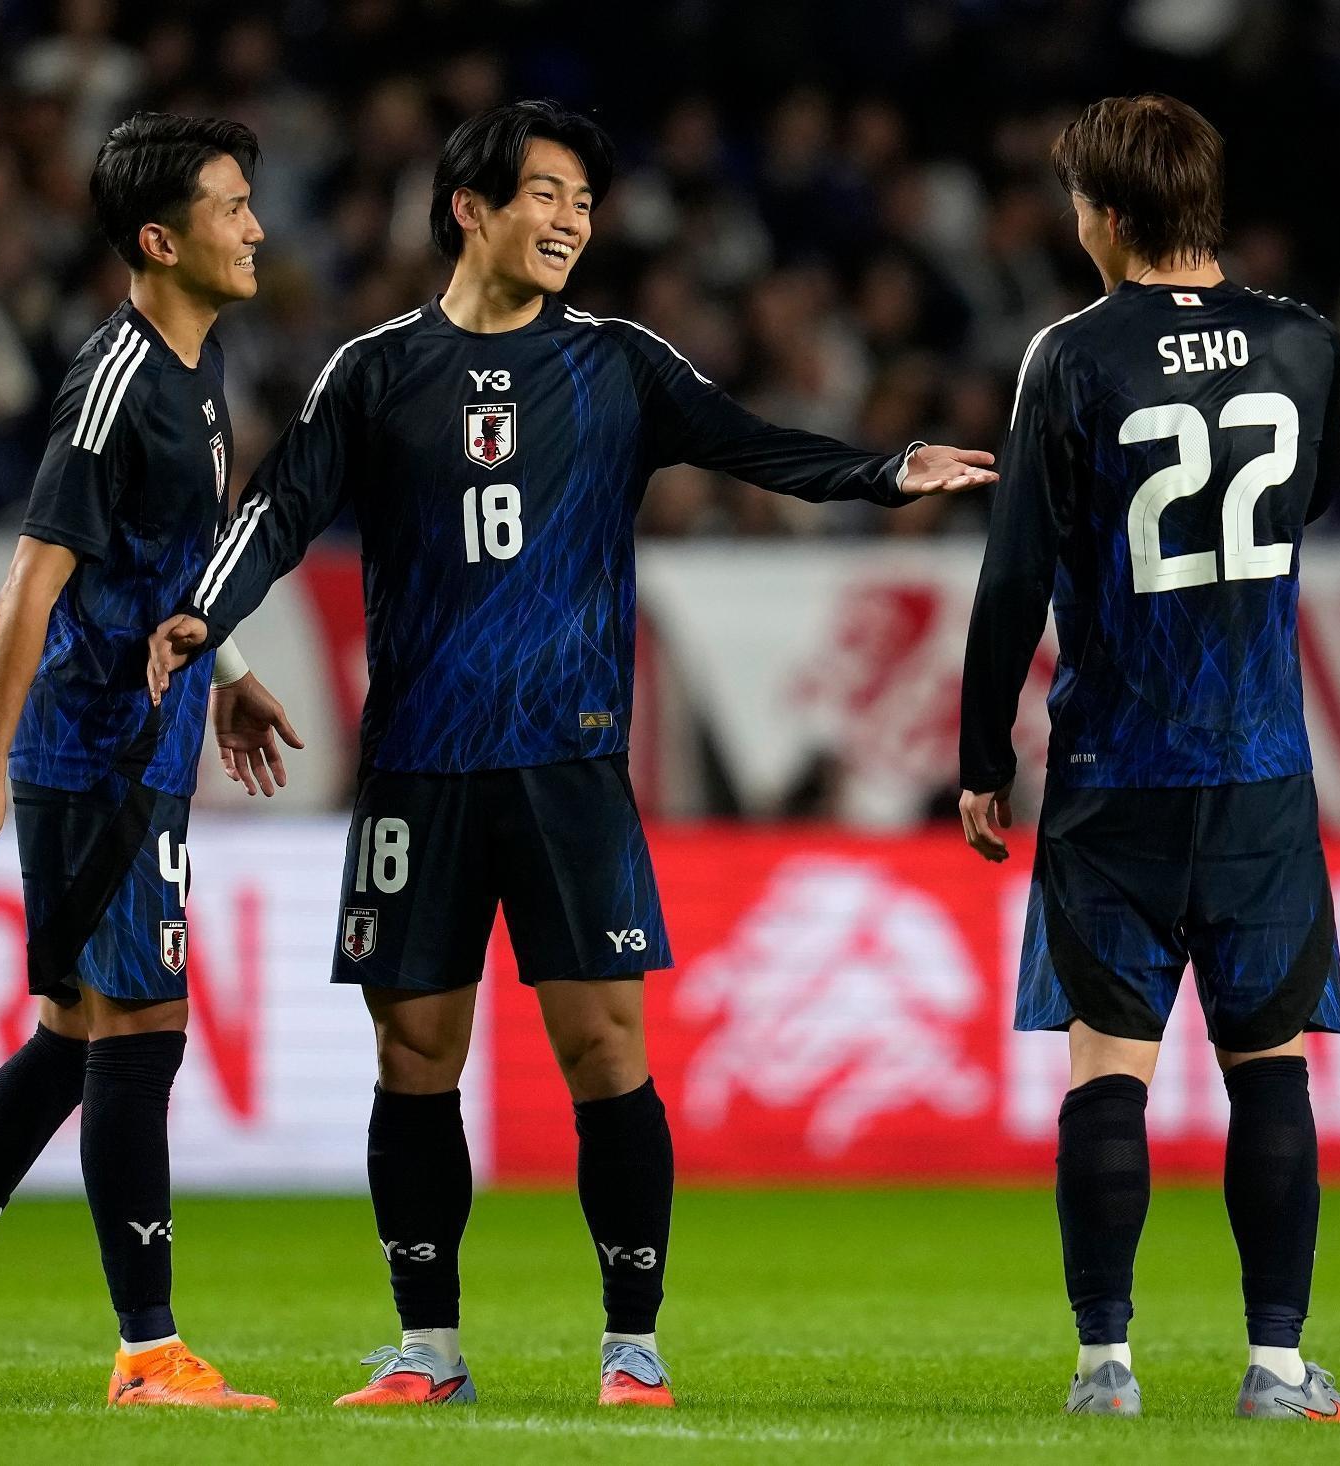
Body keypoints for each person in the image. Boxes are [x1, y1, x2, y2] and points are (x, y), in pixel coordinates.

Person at [145, 98, 996, 1410]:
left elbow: (753, 443)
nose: (572, 221)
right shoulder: (372, 370)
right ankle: (428, 1349)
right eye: (547, 193)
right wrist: (210, 616)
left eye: (585, 203)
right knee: (413, 1052)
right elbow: (278, 509)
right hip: (419, 766)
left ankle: (632, 1345)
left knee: (604, 1047)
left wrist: (884, 472)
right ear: (470, 209)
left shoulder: (617, 363)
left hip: (568, 761)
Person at [0, 113, 299, 1410]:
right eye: (230, 206)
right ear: (161, 240)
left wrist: (231, 673)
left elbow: (169, 559)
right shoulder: (116, 384)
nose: (255, 227)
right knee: (140, 1029)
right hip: (93, 753)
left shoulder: (200, 363)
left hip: (141, 744)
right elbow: (29, 579)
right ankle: (149, 1352)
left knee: (72, 1035)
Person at [957, 94, 1340, 1424]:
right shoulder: (1306, 342)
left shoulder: (1070, 355)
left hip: (1114, 770)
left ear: (1110, 215)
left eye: (1078, 201)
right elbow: (1308, 497)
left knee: (1107, 1067)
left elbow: (1014, 575)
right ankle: (1277, 1368)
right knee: (1271, 1066)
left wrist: (981, 757)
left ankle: (1106, 1369)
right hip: (1257, 768)